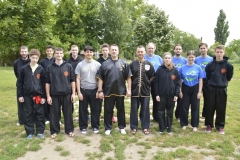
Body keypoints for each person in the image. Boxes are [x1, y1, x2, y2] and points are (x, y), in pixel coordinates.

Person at [96, 44, 132, 135]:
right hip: (108, 91)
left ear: (118, 51)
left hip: (120, 91)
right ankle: (108, 127)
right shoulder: (104, 64)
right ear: (109, 51)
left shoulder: (124, 64)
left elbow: (128, 77)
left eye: (116, 50)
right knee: (108, 110)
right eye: (112, 50)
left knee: (121, 110)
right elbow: (100, 78)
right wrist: (100, 90)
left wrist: (129, 89)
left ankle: (122, 127)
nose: (114, 51)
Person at [45, 47, 75, 139]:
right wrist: (48, 96)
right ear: (54, 55)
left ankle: (69, 130)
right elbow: (47, 82)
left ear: (63, 54)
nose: (59, 55)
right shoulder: (50, 67)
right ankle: (54, 131)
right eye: (57, 53)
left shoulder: (68, 66)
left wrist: (73, 93)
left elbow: (72, 80)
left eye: (60, 53)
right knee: (54, 114)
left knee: (68, 113)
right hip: (54, 94)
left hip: (66, 94)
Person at [17, 49, 46, 139]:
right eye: (33, 57)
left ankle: (40, 131)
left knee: (39, 114)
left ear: (38, 58)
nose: (34, 59)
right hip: (27, 96)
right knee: (28, 114)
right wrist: (20, 95)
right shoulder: (24, 69)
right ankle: (30, 132)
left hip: (38, 96)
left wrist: (43, 97)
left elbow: (44, 84)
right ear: (29, 57)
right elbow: (19, 83)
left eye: (36, 58)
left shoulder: (41, 69)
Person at [205, 45, 233, 134]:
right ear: (215, 53)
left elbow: (229, 77)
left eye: (221, 52)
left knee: (221, 108)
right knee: (209, 107)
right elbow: (208, 76)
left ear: (224, 53)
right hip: (211, 88)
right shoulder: (210, 65)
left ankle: (220, 126)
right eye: (217, 52)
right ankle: (209, 125)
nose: (219, 54)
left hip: (222, 89)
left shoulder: (228, 65)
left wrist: (222, 84)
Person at [75, 46, 101, 134]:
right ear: (84, 53)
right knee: (83, 110)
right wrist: (79, 92)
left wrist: (99, 91)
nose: (89, 53)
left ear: (93, 53)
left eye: (90, 52)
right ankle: (83, 127)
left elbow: (100, 79)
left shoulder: (97, 65)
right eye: (87, 52)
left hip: (94, 89)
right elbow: (77, 79)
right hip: (83, 89)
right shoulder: (80, 64)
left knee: (95, 109)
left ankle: (95, 126)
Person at [129, 45, 154, 135]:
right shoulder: (132, 64)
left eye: (142, 52)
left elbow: (152, 77)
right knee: (134, 109)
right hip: (134, 91)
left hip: (145, 91)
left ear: (145, 52)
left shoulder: (149, 64)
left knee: (145, 110)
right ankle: (133, 127)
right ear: (136, 53)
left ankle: (145, 126)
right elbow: (129, 77)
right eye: (138, 51)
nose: (140, 53)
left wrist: (146, 83)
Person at [155, 52, 180, 134]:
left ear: (171, 59)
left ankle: (169, 127)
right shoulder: (159, 69)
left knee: (170, 112)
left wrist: (176, 94)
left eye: (169, 58)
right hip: (161, 95)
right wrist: (157, 94)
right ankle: (162, 128)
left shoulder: (175, 70)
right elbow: (156, 83)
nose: (167, 59)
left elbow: (177, 83)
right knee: (161, 112)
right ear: (163, 59)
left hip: (171, 95)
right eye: (166, 58)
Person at [179, 50, 203, 132]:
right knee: (184, 106)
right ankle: (184, 123)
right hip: (185, 87)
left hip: (195, 87)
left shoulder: (198, 68)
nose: (191, 58)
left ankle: (195, 125)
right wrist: (180, 91)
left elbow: (200, 80)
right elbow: (179, 80)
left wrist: (199, 92)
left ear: (195, 58)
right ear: (187, 57)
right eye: (189, 57)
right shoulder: (182, 68)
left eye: (192, 57)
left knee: (195, 107)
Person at [96, 43, 116, 122]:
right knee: (98, 102)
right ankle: (97, 116)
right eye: (103, 50)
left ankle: (111, 116)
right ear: (101, 51)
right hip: (101, 84)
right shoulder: (98, 61)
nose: (105, 52)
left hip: (110, 84)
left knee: (110, 102)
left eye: (106, 50)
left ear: (109, 51)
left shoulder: (112, 60)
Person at [144, 42, 163, 122]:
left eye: (152, 48)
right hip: (146, 81)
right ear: (146, 49)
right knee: (145, 100)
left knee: (156, 99)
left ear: (154, 49)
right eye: (149, 48)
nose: (150, 50)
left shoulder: (159, 58)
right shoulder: (144, 58)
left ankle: (156, 116)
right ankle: (144, 116)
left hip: (156, 82)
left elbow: (163, 68)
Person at [194, 43, 213, 118]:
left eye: (204, 48)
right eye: (201, 48)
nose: (203, 49)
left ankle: (205, 114)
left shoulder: (211, 59)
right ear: (199, 49)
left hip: (207, 80)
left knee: (207, 98)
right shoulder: (196, 59)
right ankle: (195, 114)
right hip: (198, 80)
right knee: (196, 97)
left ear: (207, 49)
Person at [14, 46, 30, 126]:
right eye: (22, 51)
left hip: (30, 85)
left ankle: (31, 118)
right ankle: (21, 120)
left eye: (25, 51)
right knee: (20, 102)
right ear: (20, 52)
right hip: (21, 85)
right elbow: (16, 74)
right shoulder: (16, 62)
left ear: (28, 52)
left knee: (30, 103)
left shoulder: (32, 60)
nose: (24, 53)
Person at [39, 45, 55, 124]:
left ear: (53, 51)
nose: (49, 52)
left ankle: (56, 118)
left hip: (54, 83)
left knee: (54, 101)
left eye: (50, 51)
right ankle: (48, 118)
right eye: (48, 51)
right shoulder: (42, 61)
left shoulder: (55, 60)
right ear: (46, 51)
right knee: (46, 101)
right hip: (45, 83)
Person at [172, 44, 187, 122]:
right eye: (176, 49)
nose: (178, 50)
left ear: (181, 50)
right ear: (174, 50)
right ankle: (169, 114)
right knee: (172, 99)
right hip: (171, 82)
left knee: (180, 100)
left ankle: (178, 115)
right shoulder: (170, 59)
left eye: (179, 49)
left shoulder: (184, 60)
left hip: (181, 82)